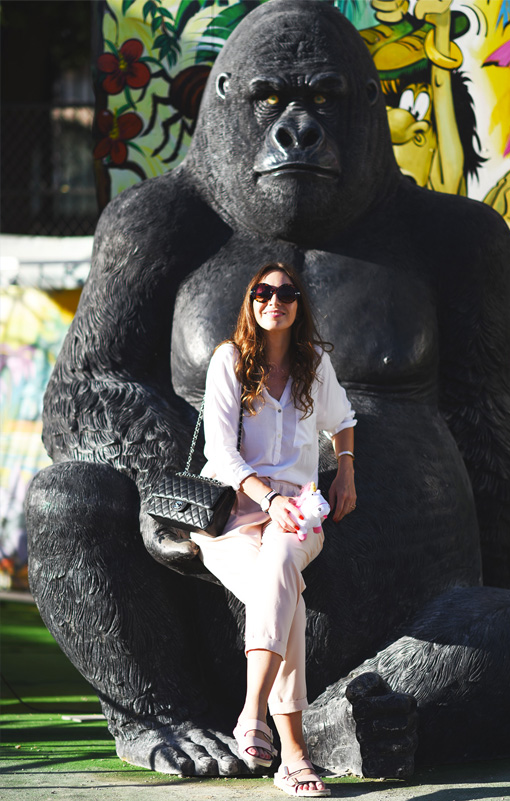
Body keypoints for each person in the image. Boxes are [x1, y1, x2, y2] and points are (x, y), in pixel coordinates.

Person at [196, 262, 357, 798]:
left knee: (283, 564)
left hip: (301, 511)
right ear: (251, 300)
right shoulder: (229, 359)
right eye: (263, 292)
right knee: (289, 604)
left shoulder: (315, 364)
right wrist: (267, 498)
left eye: (286, 293)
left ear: (298, 305)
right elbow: (219, 453)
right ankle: (294, 756)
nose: (274, 300)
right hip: (233, 516)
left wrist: (346, 473)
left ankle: (251, 713)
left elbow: (344, 420)